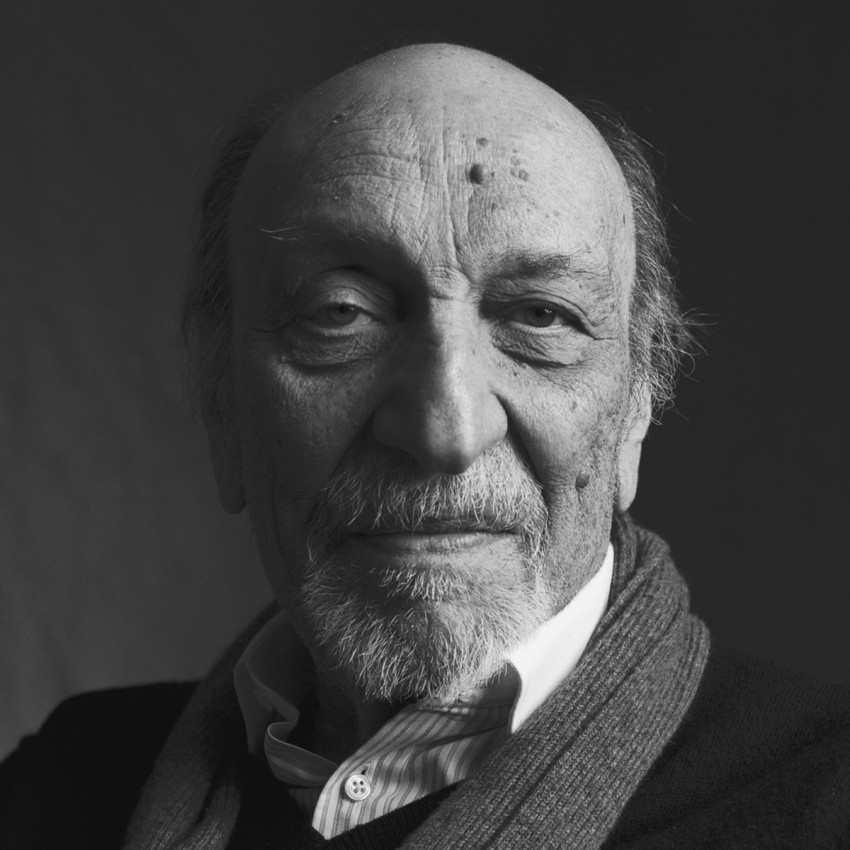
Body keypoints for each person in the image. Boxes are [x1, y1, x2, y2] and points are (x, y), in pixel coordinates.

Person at [2, 42, 848, 850]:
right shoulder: (62, 785)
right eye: (341, 314)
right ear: (223, 404)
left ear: (636, 407)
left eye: (541, 317)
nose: (446, 430)